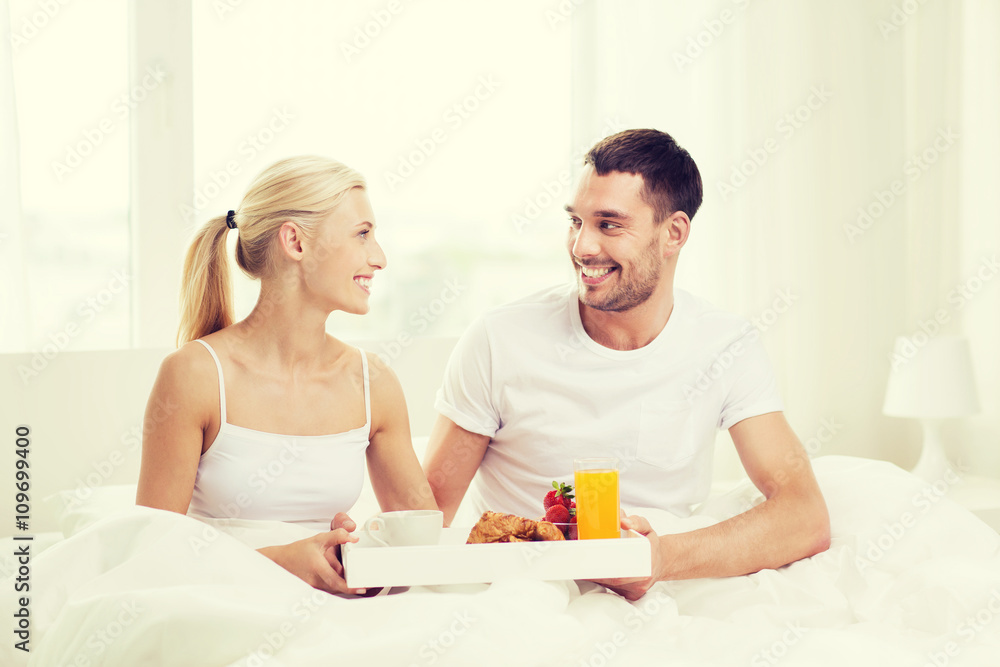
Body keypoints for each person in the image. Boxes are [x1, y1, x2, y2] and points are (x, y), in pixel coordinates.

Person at [423, 129, 830, 600]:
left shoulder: (726, 345)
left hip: (663, 592)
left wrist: (657, 560)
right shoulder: (499, 339)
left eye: (609, 225)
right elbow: (426, 516)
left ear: (673, 233)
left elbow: (804, 515)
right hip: (526, 596)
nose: (582, 247)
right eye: (575, 222)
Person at [136, 155, 436, 595]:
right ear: (295, 242)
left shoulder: (374, 383)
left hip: (334, 617)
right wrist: (282, 562)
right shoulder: (195, 375)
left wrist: (361, 551)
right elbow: (148, 560)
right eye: (362, 234)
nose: (380, 258)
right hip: (215, 609)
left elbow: (421, 554)